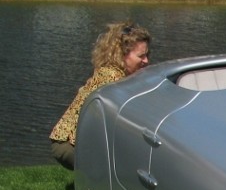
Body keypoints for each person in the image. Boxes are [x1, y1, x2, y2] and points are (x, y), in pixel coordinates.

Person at [49, 21, 152, 171]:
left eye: (147, 55)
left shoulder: (113, 71)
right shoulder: (113, 78)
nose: (146, 61)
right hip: (69, 144)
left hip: (70, 141)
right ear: (122, 54)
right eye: (141, 56)